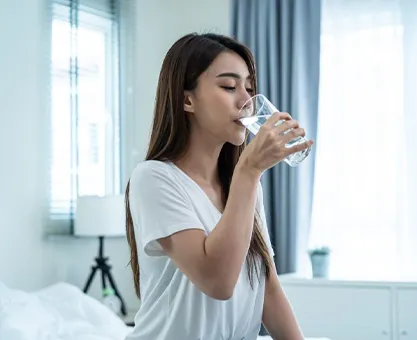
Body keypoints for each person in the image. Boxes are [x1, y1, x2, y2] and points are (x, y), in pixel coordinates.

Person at [124, 32, 313, 340]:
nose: (245, 102)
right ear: (187, 99)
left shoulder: (243, 186)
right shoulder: (153, 178)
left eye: (249, 88)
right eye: (228, 86)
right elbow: (218, 283)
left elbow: (267, 287)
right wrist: (249, 171)